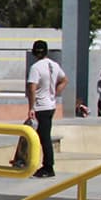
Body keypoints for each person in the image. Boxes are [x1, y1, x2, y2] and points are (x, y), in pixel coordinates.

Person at [25, 40, 67, 179]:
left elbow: (32, 88)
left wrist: (31, 107)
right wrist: (55, 92)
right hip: (50, 105)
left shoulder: (35, 67)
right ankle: (34, 162)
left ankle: (48, 167)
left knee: (43, 138)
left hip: (40, 107)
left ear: (34, 52)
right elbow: (64, 80)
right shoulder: (54, 65)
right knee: (41, 135)